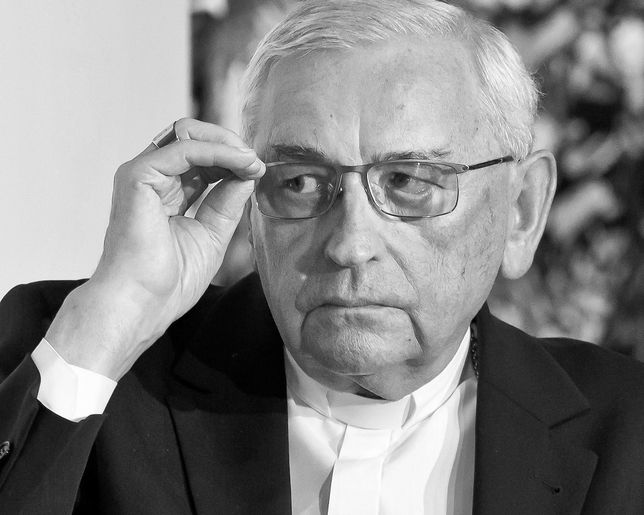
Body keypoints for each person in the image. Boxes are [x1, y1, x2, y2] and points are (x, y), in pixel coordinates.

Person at [1, 1, 643, 513]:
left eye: (410, 181)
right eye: (302, 182)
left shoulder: (628, 435)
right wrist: (110, 323)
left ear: (521, 210)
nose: (350, 244)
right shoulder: (88, 367)